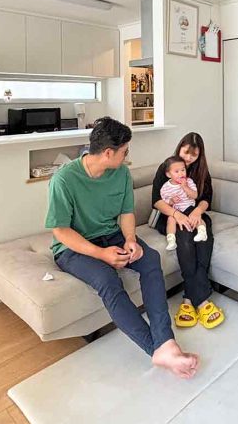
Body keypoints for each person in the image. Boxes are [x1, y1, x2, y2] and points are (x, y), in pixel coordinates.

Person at [45, 116, 198, 379]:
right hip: (72, 248)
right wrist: (100, 254)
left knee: (150, 259)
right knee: (107, 279)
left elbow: (127, 213)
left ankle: (165, 340)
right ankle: (155, 349)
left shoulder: (121, 173)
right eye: (125, 151)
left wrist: (130, 240)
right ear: (108, 153)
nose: (127, 156)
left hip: (112, 235)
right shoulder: (64, 180)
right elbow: (60, 230)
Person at [152, 132, 225, 329]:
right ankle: (202, 301)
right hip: (171, 216)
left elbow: (206, 198)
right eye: (186, 152)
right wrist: (177, 215)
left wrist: (197, 212)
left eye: (194, 155)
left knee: (203, 239)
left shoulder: (201, 171)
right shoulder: (168, 167)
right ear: (180, 148)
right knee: (185, 239)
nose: (189, 158)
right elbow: (156, 201)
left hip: (194, 211)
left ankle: (188, 299)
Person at [160, 156, 208, 251]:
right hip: (176, 211)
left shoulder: (189, 182)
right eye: (176, 171)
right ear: (168, 174)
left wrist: (185, 187)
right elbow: (164, 201)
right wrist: (171, 201)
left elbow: (195, 195)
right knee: (170, 219)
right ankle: (171, 239)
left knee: (196, 217)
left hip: (189, 207)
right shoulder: (165, 187)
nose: (181, 173)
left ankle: (202, 231)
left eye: (183, 170)